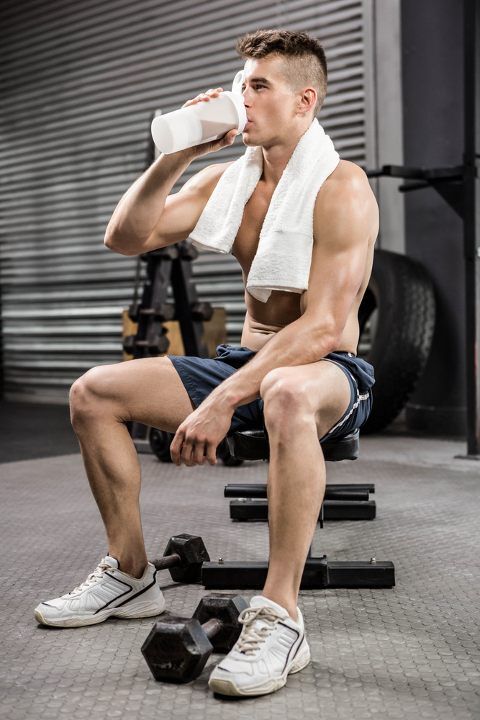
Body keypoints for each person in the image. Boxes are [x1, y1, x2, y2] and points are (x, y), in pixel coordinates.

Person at [34, 29, 378, 697]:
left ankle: (280, 616)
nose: (238, 98)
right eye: (239, 82)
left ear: (305, 101)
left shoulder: (342, 187)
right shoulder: (228, 179)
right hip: (242, 360)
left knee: (282, 391)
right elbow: (125, 237)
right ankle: (130, 575)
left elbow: (327, 326)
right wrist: (175, 157)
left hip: (325, 374)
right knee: (93, 393)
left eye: (258, 86)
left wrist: (222, 402)